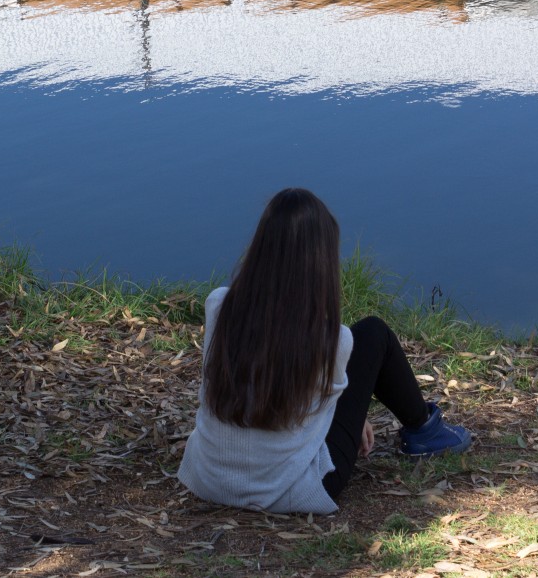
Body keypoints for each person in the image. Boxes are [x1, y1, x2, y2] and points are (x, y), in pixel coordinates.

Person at [177, 188, 472, 514]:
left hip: (209, 479)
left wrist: (345, 408)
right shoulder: (332, 340)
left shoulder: (218, 305)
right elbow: (313, 411)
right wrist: (351, 412)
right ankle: (425, 431)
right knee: (373, 333)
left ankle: (423, 429)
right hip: (292, 490)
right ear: (321, 261)